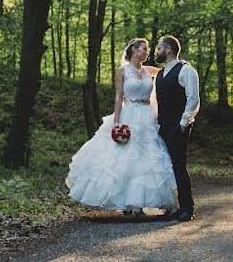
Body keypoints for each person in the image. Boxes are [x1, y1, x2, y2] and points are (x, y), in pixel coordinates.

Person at [65, 38, 178, 213]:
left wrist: (181, 63)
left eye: (148, 49)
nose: (147, 52)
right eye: (144, 49)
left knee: (146, 159)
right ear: (134, 50)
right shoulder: (122, 71)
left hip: (147, 116)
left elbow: (171, 68)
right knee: (124, 158)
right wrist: (116, 121)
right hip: (129, 114)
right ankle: (126, 204)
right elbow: (118, 97)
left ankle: (139, 203)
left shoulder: (150, 71)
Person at [154, 35, 200, 222]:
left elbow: (193, 99)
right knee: (166, 167)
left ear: (168, 50)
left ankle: (187, 208)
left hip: (177, 126)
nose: (156, 51)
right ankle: (173, 206)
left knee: (178, 166)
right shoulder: (160, 73)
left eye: (158, 48)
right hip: (162, 126)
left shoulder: (186, 70)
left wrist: (183, 124)